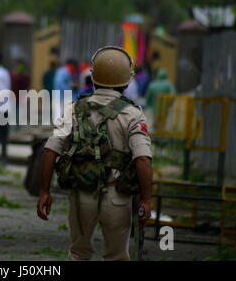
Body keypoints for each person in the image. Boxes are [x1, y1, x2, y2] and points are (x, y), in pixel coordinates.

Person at [37, 46, 153, 261]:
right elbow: (143, 159)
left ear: (93, 77)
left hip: (81, 196)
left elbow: (50, 149)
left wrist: (44, 191)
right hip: (116, 197)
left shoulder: (74, 108)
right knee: (117, 257)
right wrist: (146, 199)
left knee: (78, 253)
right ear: (127, 81)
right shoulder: (133, 114)